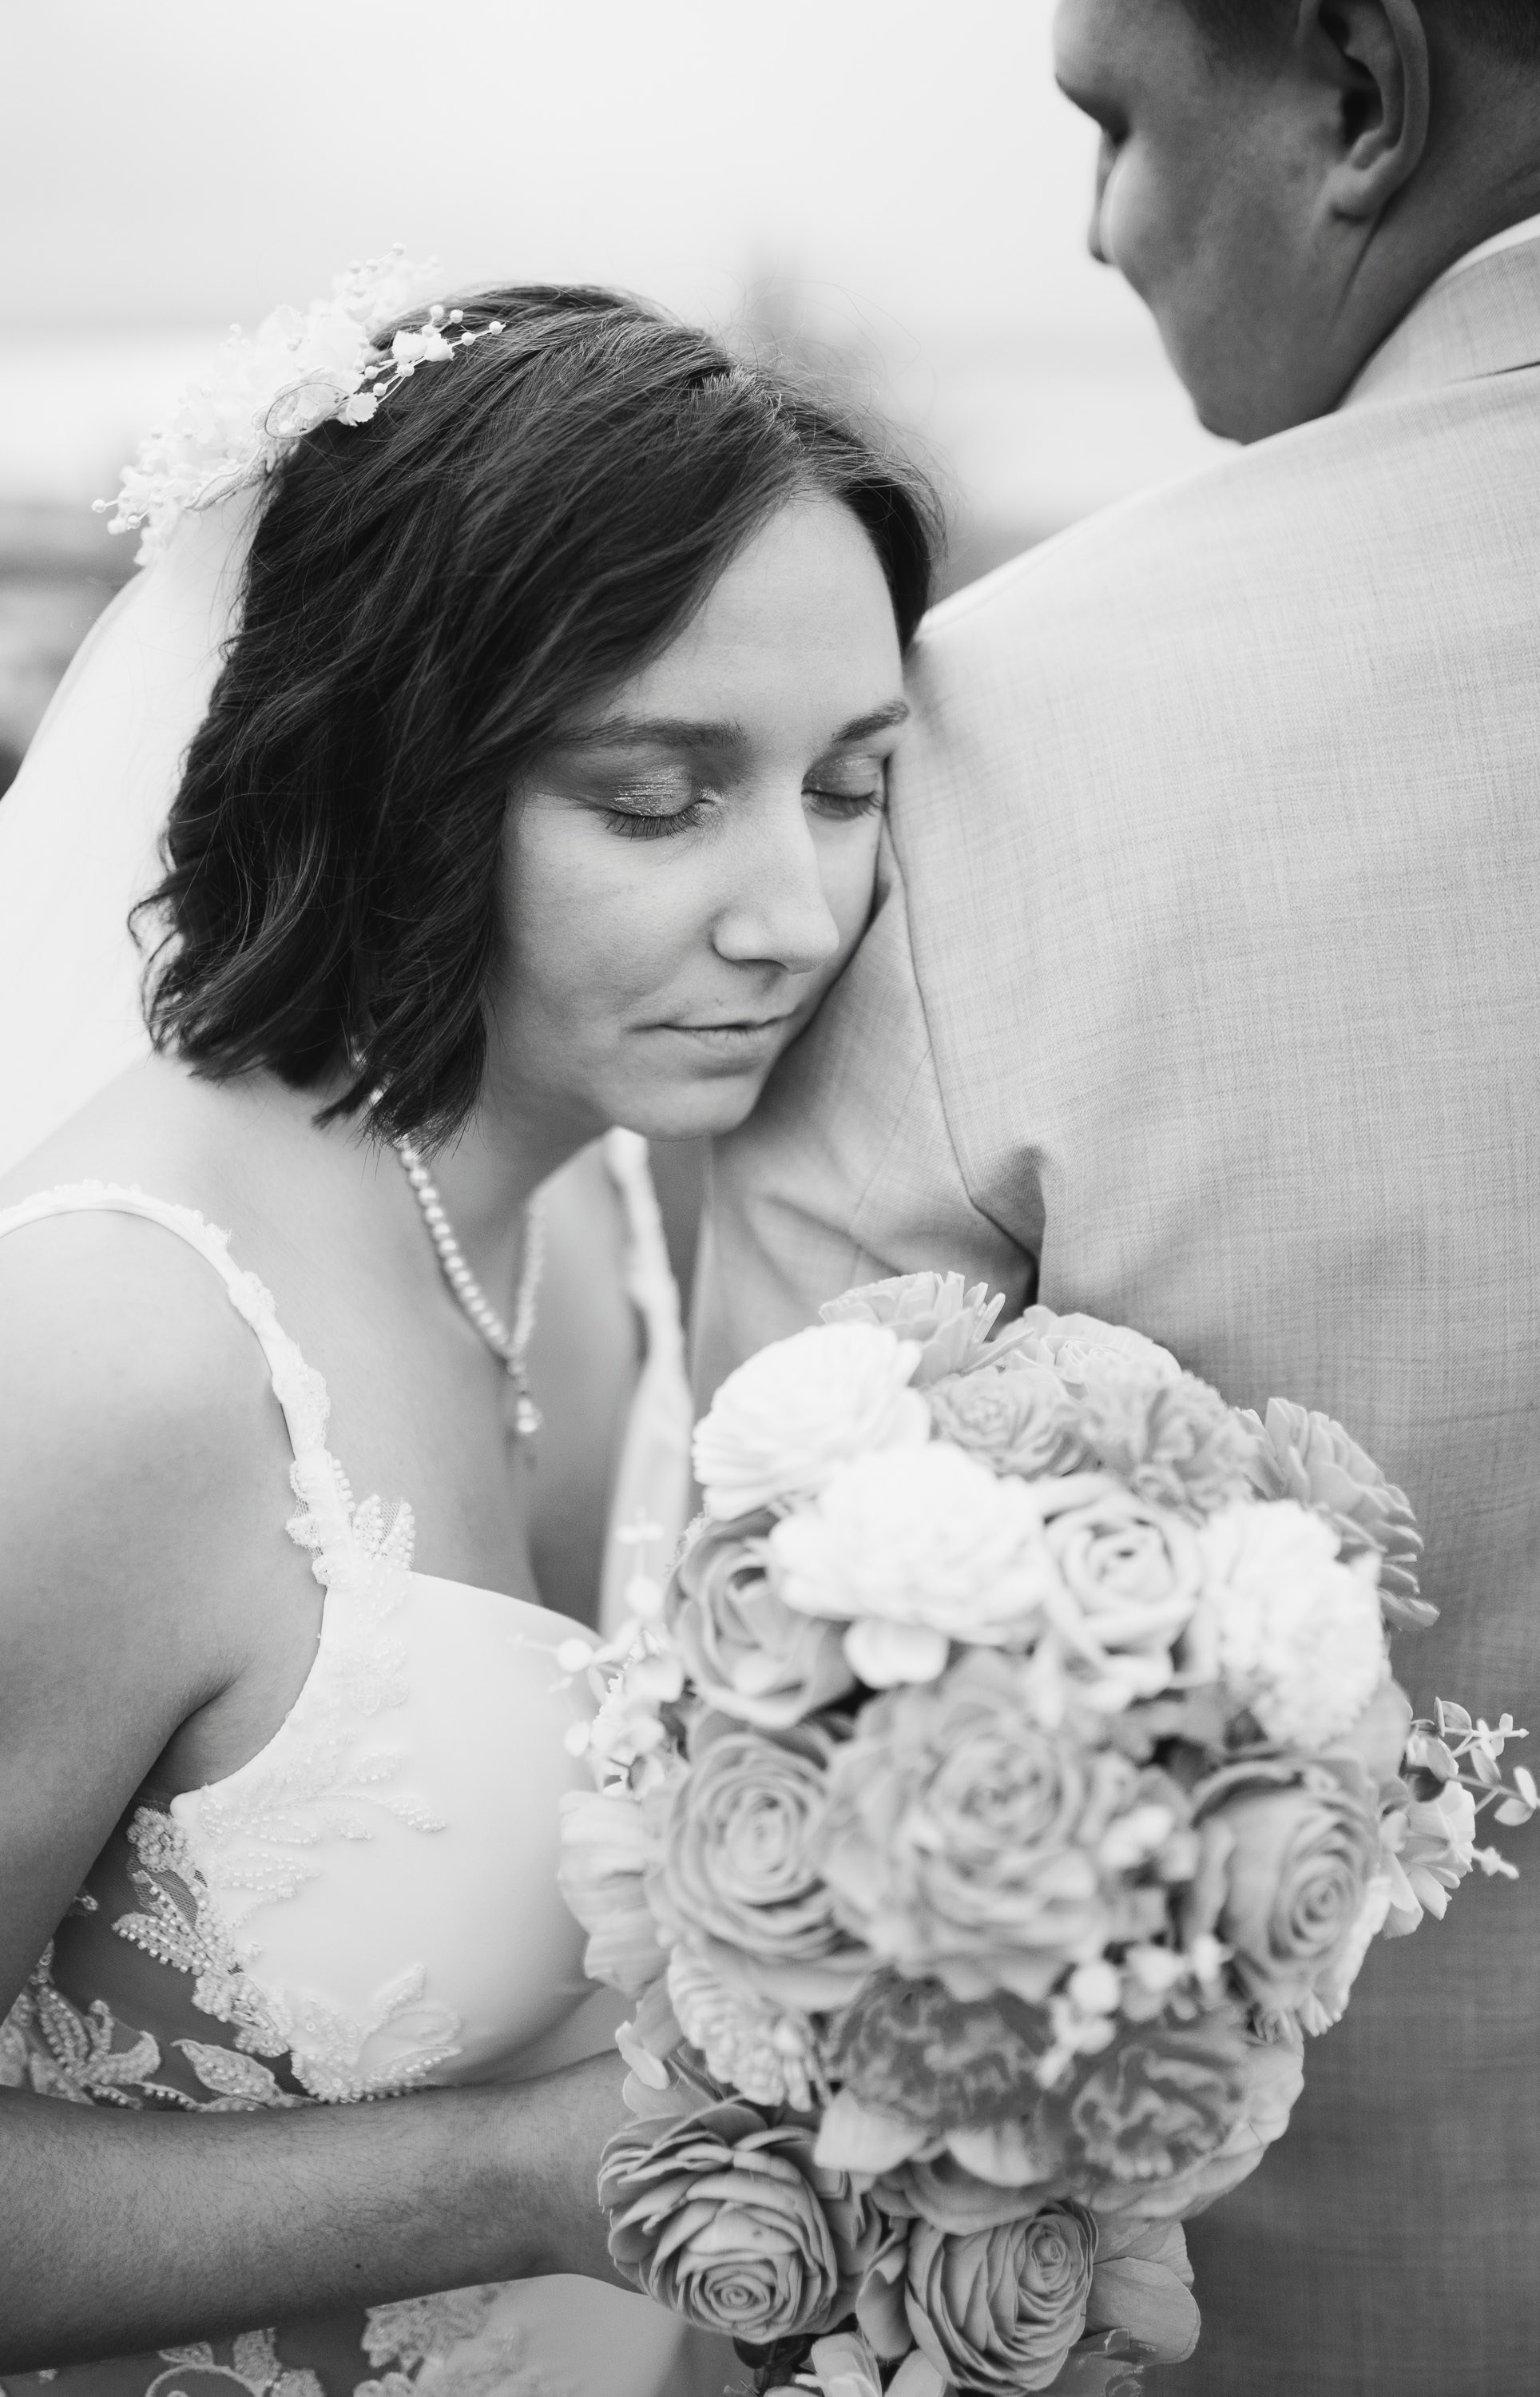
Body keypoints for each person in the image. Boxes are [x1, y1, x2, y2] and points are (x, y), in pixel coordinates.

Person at [695, 2, 1540, 2391]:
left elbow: (765, 1690)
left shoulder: (998, 743)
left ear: (1359, 95)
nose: (1093, 226)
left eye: (1112, 117)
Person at [0, 273, 939, 2391]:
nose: (794, 912)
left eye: (851, 783)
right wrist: (524, 2180)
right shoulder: (114, 1352)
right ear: (405, 764)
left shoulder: (595, 1202)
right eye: (658, 793)